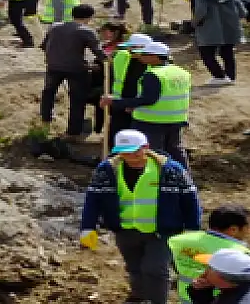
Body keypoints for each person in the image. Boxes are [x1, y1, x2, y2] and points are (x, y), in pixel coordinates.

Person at [80, 129, 201, 304]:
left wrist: (192, 228)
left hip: (162, 231)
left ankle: (157, 301)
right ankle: (139, 296)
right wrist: (87, 227)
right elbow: (93, 198)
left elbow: (190, 199)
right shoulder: (107, 170)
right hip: (126, 230)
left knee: (155, 269)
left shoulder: (170, 169)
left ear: (146, 147)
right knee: (135, 267)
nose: (131, 156)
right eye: (125, 152)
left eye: (135, 151)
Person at [103, 41, 192, 168]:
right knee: (175, 151)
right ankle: (184, 178)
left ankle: (156, 179)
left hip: (152, 122)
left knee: (153, 154)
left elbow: (148, 99)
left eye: (145, 54)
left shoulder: (153, 75)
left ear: (155, 57)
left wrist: (115, 102)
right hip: (176, 120)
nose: (141, 56)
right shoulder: (181, 72)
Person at [41, 4, 106, 139]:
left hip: (53, 66)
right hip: (76, 69)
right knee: (77, 99)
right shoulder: (86, 31)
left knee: (48, 93)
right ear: (89, 17)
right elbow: (99, 53)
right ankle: (74, 131)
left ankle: (45, 122)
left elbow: (44, 46)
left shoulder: (54, 27)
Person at [169, 205, 249, 303]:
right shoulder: (238, 253)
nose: (248, 231)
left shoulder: (179, 240)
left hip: (187, 298)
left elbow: (174, 266)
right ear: (233, 229)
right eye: (247, 227)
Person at [193, 0, 246, 86]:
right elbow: (243, 13)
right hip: (230, 31)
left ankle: (219, 76)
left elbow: (200, 14)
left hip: (209, 32)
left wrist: (194, 24)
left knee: (207, 54)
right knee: (227, 54)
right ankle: (230, 77)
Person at [104, 33, 153, 141]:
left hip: (138, 105)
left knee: (136, 137)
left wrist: (134, 105)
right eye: (129, 47)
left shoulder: (152, 64)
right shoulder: (122, 56)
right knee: (116, 134)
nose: (129, 50)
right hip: (120, 102)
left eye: (132, 48)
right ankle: (114, 156)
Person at [186, 248, 250, 303]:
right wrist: (202, 291)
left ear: (222, 278)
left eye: (209, 268)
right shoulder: (240, 284)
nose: (205, 271)